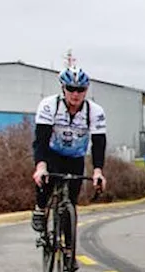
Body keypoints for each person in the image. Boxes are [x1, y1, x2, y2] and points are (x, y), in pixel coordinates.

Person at [31, 67, 108, 231]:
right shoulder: (49, 105)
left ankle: (67, 247)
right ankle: (40, 208)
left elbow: (99, 143)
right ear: (63, 88)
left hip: (76, 157)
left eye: (80, 90)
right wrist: (40, 166)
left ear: (86, 91)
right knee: (45, 181)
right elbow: (41, 140)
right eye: (71, 89)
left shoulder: (95, 111)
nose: (75, 94)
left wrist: (98, 171)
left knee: (71, 202)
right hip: (53, 153)